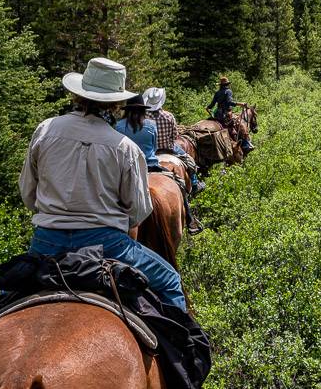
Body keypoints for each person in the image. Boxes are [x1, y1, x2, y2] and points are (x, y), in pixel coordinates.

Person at [19, 57, 187, 311]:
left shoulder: (45, 130)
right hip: (108, 246)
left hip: (46, 243)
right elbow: (137, 212)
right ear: (117, 102)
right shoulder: (124, 148)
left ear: (78, 94)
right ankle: (183, 349)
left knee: (4, 295)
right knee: (170, 281)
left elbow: (28, 194)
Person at [116, 95, 203, 236]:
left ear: (127, 110)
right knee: (179, 184)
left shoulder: (119, 126)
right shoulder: (151, 125)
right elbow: (155, 148)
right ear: (143, 110)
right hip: (151, 165)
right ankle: (190, 219)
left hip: (127, 169)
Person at [144, 87, 205, 194]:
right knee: (190, 161)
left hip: (151, 151)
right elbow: (175, 136)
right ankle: (195, 184)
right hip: (169, 149)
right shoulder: (169, 116)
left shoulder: (144, 117)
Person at [206, 76, 254, 151]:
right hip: (226, 114)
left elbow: (212, 104)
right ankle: (245, 143)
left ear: (220, 85)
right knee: (239, 124)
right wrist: (240, 103)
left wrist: (208, 107)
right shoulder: (228, 91)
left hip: (217, 114)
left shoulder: (217, 93)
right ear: (227, 84)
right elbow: (229, 102)